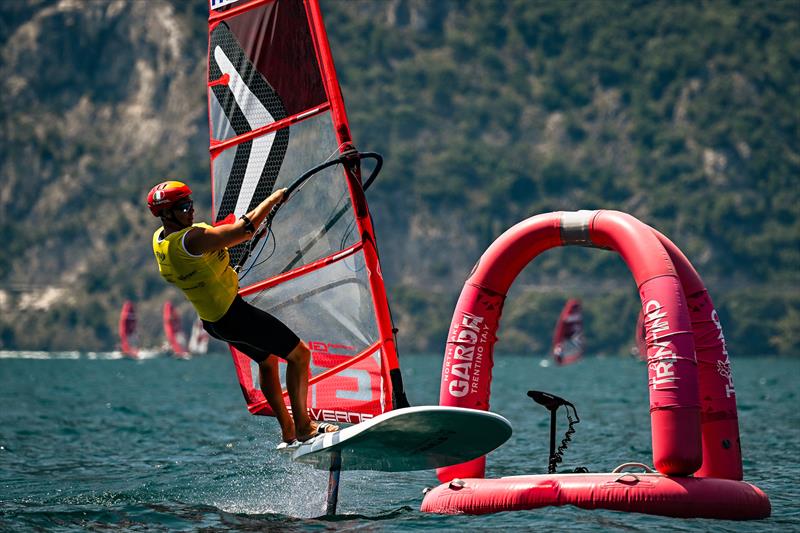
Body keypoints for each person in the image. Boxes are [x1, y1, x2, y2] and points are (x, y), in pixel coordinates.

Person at [147, 180, 337, 448]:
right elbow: (244, 231)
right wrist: (273, 200)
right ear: (166, 214)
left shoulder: (160, 240)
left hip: (213, 322)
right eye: (183, 206)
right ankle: (305, 428)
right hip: (233, 315)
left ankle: (288, 430)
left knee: (268, 361)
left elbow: (206, 250)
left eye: (191, 203)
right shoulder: (192, 239)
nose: (191, 210)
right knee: (300, 355)